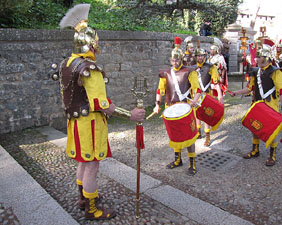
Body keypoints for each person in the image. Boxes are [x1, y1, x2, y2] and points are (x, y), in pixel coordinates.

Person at [51, 4, 145, 220]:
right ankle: (92, 210)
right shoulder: (89, 69)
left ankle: (84, 198)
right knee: (92, 165)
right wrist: (130, 115)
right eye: (96, 44)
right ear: (90, 45)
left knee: (84, 162)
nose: (97, 48)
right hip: (90, 124)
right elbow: (102, 104)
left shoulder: (67, 64)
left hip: (75, 123)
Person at [229, 43, 282, 166]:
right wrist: (236, 92)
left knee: (273, 130)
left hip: (271, 106)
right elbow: (249, 88)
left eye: (259, 57)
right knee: (255, 127)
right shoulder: (255, 72)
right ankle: (255, 150)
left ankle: (272, 154)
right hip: (258, 105)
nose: (257, 59)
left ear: (266, 58)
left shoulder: (276, 72)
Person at [152, 37, 201, 176]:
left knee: (189, 136)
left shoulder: (189, 71)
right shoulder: (166, 73)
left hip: (185, 107)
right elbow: (160, 90)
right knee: (174, 135)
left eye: (177, 60)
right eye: (173, 60)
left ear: (182, 59)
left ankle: (192, 163)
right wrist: (157, 105)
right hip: (170, 107)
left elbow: (197, 89)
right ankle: (178, 160)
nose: (175, 63)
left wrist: (194, 100)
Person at [193, 47, 224, 146]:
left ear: (205, 56)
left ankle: (207, 136)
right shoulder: (192, 68)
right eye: (198, 55)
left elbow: (215, 82)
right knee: (197, 114)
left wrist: (220, 95)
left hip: (206, 94)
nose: (200, 57)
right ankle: (198, 132)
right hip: (195, 95)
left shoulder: (211, 67)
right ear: (195, 57)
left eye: (202, 55)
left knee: (206, 115)